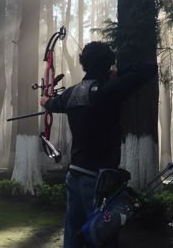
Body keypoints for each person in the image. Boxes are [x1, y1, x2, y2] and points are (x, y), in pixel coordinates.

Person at [40, 41, 157, 248]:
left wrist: (46, 101)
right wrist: (118, 72)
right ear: (109, 63)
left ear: (83, 63)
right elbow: (148, 69)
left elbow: (50, 103)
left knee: (73, 236)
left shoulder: (72, 93)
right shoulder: (108, 89)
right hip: (99, 179)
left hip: (74, 175)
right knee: (103, 236)